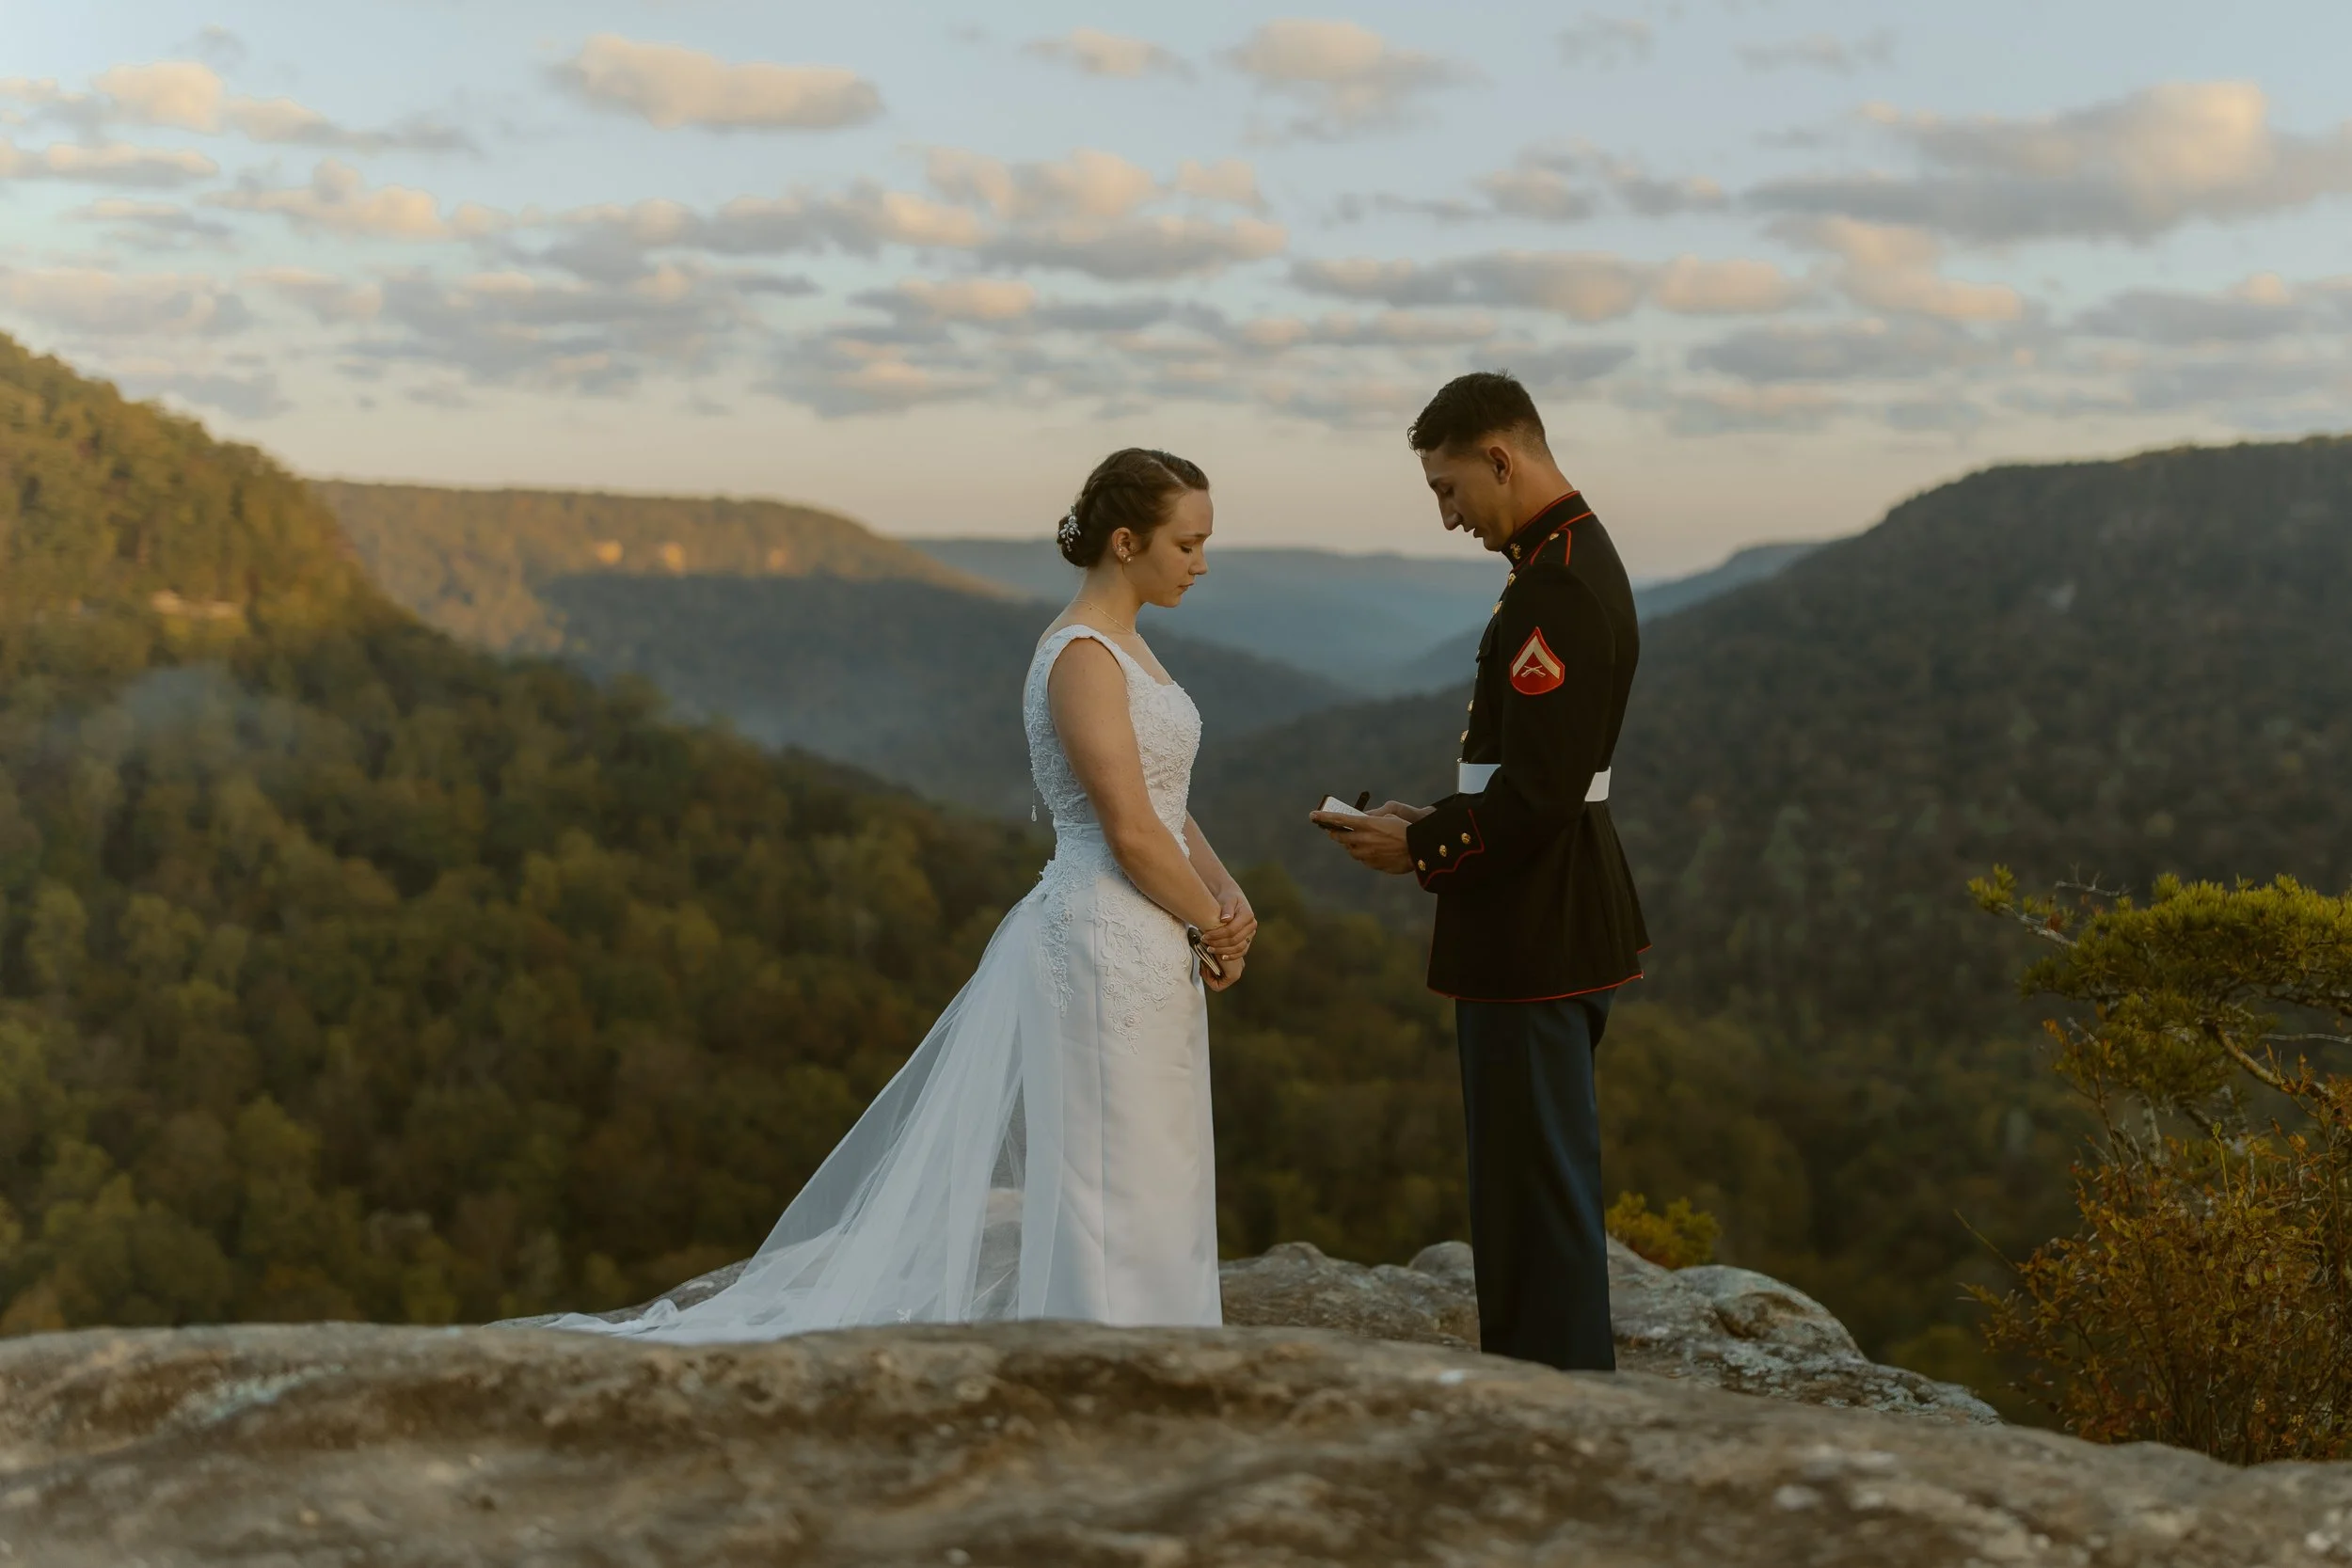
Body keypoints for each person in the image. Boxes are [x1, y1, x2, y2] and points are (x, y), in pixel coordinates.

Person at [549, 448, 1254, 1342]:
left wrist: (1227, 895)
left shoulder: (1131, 644)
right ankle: (1113, 1352)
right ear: (1126, 542)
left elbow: (1167, 802)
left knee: (1164, 1158)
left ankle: (1174, 1341)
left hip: (1159, 934)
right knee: (1112, 1169)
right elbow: (1129, 829)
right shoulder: (1083, 657)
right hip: (1105, 940)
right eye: (1187, 544)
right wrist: (1214, 924)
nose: (1201, 563)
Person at [1311, 372, 1647, 1371]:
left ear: (1500, 459)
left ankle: (1557, 1397)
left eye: (1448, 488)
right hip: (1542, 908)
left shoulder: (1557, 583)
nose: (1447, 515)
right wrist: (1431, 817)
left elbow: (1542, 793)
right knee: (1522, 1180)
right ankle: (1543, 1379)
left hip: (1535, 924)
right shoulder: (1559, 558)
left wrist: (1420, 850)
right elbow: (1526, 775)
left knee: (1534, 1189)